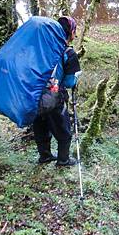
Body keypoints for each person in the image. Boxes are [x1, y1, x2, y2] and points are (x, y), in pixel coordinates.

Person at [32, 15, 81, 166]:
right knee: (64, 130)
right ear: (71, 32)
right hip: (54, 97)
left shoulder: (42, 49)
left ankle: (45, 156)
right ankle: (63, 160)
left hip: (35, 93)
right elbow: (69, 82)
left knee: (40, 126)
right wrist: (76, 76)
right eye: (74, 31)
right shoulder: (68, 53)